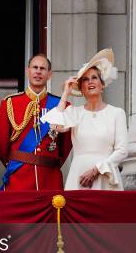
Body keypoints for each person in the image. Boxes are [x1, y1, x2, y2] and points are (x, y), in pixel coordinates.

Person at [42, 48, 128, 190]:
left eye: (94, 77)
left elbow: (122, 150)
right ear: (81, 89)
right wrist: (65, 94)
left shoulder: (116, 113)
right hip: (79, 176)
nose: (90, 82)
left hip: (104, 177)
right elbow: (54, 126)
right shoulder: (74, 112)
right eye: (85, 80)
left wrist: (96, 170)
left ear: (102, 85)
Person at [0, 54, 71, 190]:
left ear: (49, 74)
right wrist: (16, 162)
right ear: (27, 71)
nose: (38, 71)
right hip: (19, 177)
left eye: (43, 68)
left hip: (49, 178)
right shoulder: (10, 102)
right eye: (35, 67)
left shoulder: (61, 105)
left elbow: (66, 145)